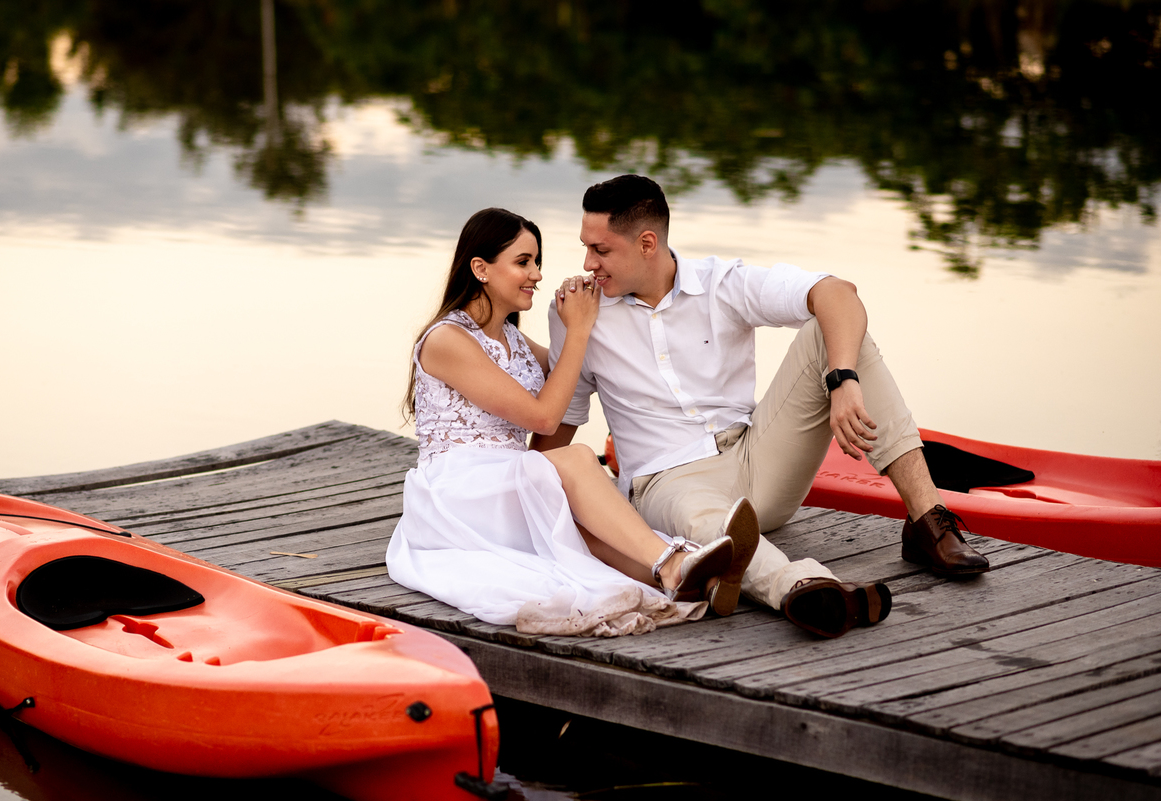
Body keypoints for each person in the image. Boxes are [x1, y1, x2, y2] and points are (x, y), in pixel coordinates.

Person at [534, 175, 990, 639]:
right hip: (667, 482)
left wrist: (843, 379)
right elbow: (559, 420)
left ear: (647, 243)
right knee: (701, 521)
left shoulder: (721, 283)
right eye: (586, 247)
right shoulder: (577, 312)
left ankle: (928, 522)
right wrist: (523, 490)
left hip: (756, 458)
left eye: (601, 250)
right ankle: (809, 588)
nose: (588, 264)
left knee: (828, 334)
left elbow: (837, 292)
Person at [386, 207, 759, 637]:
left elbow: (579, 375)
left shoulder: (511, 338)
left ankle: (691, 579)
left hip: (500, 483)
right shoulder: (447, 340)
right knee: (578, 460)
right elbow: (544, 415)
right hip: (458, 492)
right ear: (480, 268)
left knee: (579, 520)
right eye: (523, 262)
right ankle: (674, 560)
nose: (537, 274)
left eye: (537, 261)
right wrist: (578, 330)